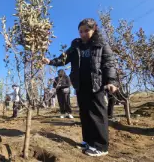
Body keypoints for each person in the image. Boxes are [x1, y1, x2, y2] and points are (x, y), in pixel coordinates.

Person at [43, 18, 118, 156]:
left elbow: (109, 63)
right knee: (85, 114)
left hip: (96, 84)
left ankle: (101, 146)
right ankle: (89, 141)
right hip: (80, 84)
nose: (83, 34)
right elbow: (64, 58)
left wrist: (111, 81)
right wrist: (51, 61)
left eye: (86, 31)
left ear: (94, 29)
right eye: (80, 31)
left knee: (97, 114)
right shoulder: (76, 45)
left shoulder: (101, 44)